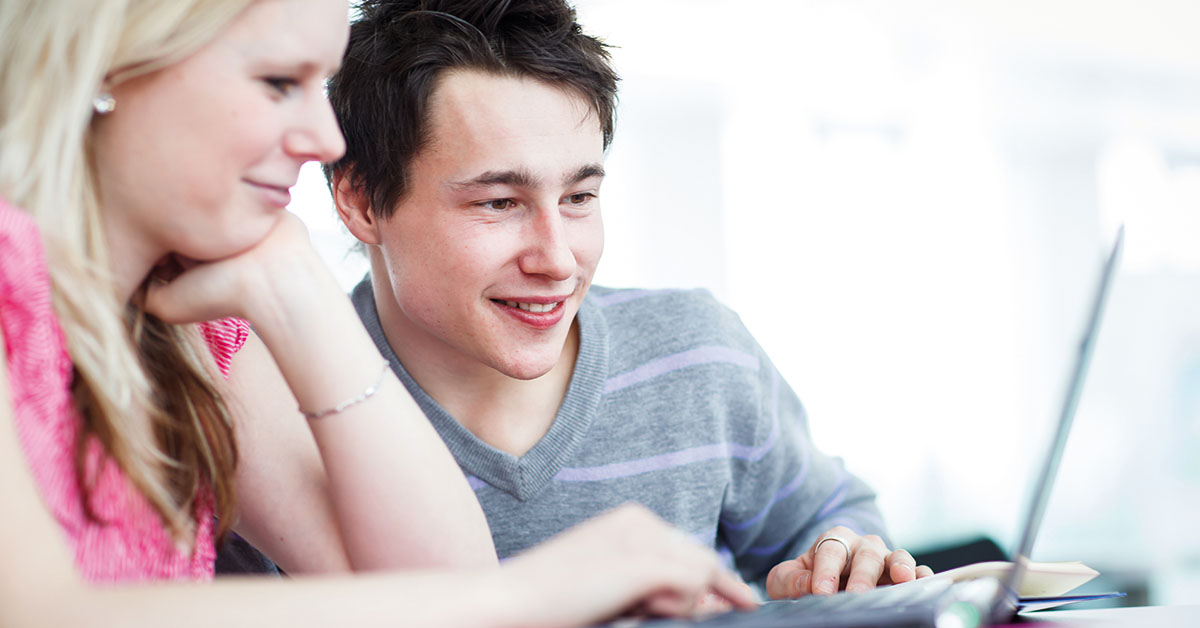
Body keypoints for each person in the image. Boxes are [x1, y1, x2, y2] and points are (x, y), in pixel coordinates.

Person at [0, 0, 756, 625]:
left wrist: (299, 287)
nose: (323, 139)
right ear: (109, 66)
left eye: (320, 85)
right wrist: (535, 589)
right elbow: (38, 611)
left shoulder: (195, 333)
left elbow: (437, 585)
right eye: (276, 81)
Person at [323, 0, 934, 602]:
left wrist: (838, 563)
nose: (558, 259)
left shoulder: (697, 354)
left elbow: (835, 520)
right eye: (499, 202)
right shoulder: (275, 418)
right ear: (361, 202)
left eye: (580, 197)